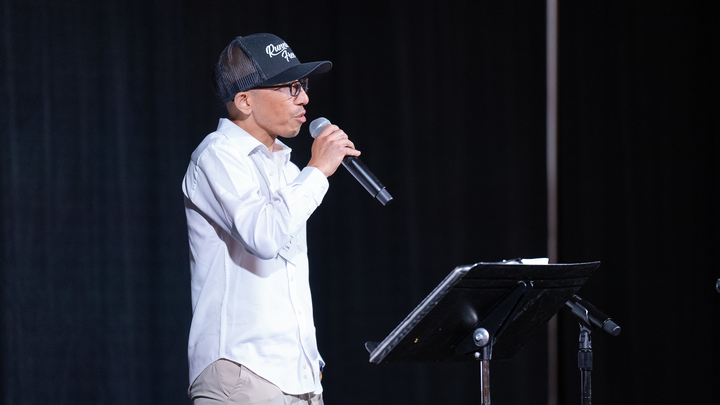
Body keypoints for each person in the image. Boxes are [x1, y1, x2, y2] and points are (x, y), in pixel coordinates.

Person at [182, 33, 359, 404]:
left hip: (299, 377)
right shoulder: (216, 155)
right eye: (290, 87)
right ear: (245, 101)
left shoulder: (289, 169)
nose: (304, 98)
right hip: (241, 372)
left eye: (303, 85)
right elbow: (263, 237)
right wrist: (317, 170)